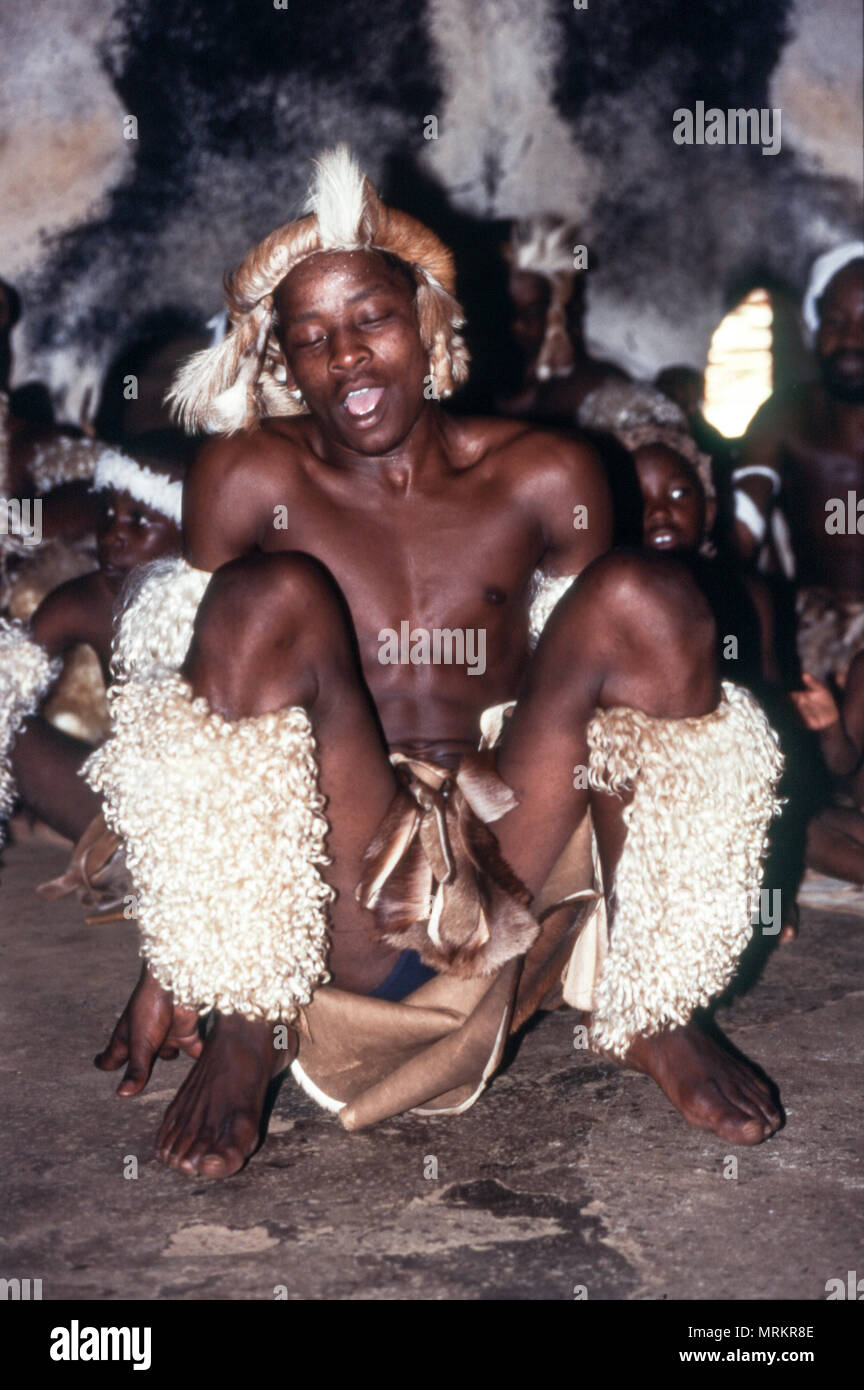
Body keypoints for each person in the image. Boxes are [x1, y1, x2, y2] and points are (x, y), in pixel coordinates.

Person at [84, 148, 783, 1179]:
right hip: (343, 867)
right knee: (265, 595)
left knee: (652, 596)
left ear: (427, 324)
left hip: (509, 841)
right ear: (281, 361)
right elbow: (186, 689)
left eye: (370, 320)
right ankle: (246, 1022)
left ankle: (657, 1005)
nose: (349, 360)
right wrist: (181, 947)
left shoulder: (546, 471)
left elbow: (616, 699)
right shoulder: (246, 472)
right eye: (312, 338)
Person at [1, 433, 186, 846]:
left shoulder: (233, 598)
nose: (112, 535)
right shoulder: (85, 601)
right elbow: (8, 681)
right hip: (133, 814)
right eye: (107, 515)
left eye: (139, 521)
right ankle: (122, 861)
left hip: (230, 816)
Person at [735, 244, 864, 680]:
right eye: (835, 322)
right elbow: (744, 519)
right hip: (811, 631)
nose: (851, 339)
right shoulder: (785, 413)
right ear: (814, 328)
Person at [495, 216, 628, 424]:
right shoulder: (489, 387)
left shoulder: (600, 392)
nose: (517, 324)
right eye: (507, 310)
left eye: (532, 311)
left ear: (566, 309)